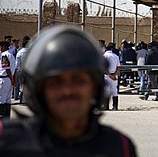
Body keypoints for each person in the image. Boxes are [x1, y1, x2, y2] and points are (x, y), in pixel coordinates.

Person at [0, 26, 137, 156]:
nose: (67, 91)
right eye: (55, 82)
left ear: (95, 87)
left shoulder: (118, 147)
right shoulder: (7, 141)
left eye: (78, 81)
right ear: (38, 89)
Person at [0, 41, 16, 118]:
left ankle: (2, 119)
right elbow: (14, 69)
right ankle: (6, 118)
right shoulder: (11, 55)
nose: (0, 48)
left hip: (4, 79)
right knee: (7, 100)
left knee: (1, 100)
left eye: (1, 46)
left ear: (4, 47)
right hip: (9, 79)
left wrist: (12, 79)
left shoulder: (4, 55)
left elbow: (7, 69)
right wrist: (12, 79)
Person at [103, 43, 121, 110]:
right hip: (114, 75)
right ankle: (115, 106)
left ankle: (106, 106)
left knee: (106, 91)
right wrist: (114, 75)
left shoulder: (104, 56)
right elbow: (118, 67)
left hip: (106, 75)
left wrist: (109, 75)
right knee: (114, 91)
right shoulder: (116, 56)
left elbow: (104, 67)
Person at [14, 36, 30, 102]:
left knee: (20, 86)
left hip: (19, 71)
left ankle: (20, 99)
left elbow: (17, 64)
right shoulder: (29, 52)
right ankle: (24, 100)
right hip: (27, 71)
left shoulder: (19, 52)